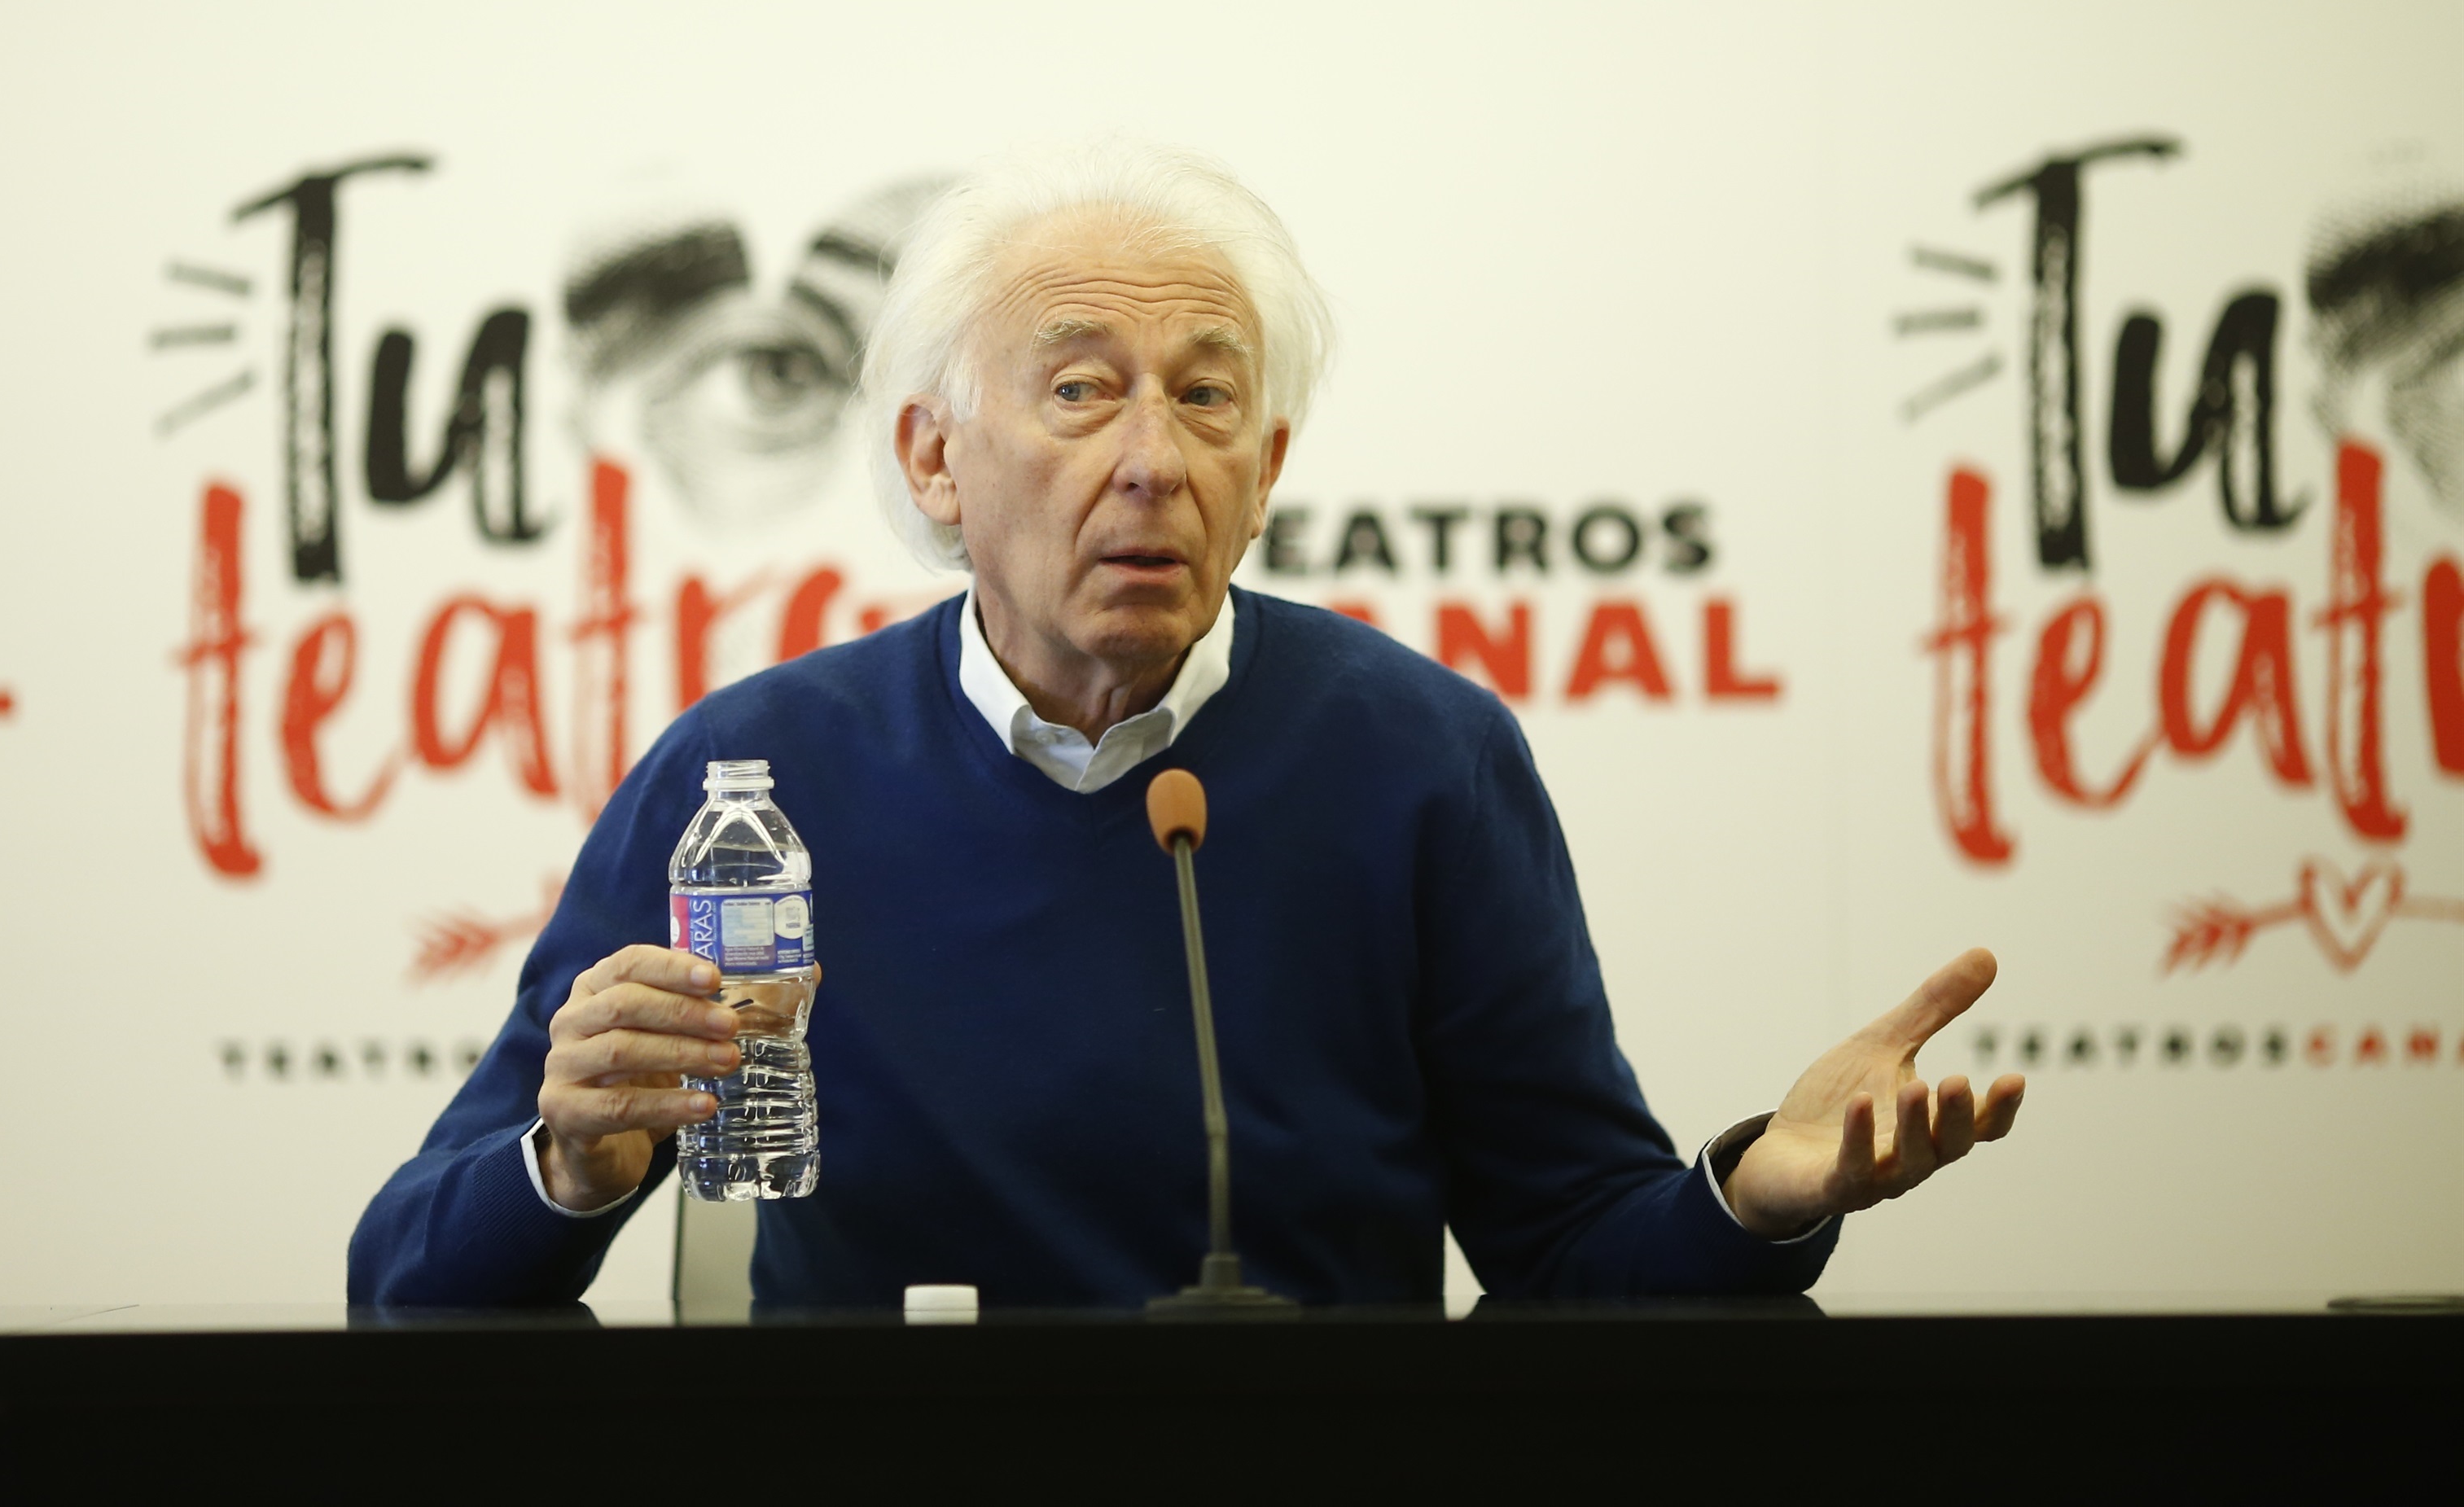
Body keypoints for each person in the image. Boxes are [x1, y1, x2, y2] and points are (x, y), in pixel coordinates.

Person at [351, 135, 2025, 1308]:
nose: (1152, 458)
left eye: (1206, 395)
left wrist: (1753, 1195)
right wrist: (565, 1165)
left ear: (1266, 466)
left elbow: (1574, 1247)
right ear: (933, 456)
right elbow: (403, 1279)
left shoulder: (1421, 758)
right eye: (1079, 389)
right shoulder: (756, 781)